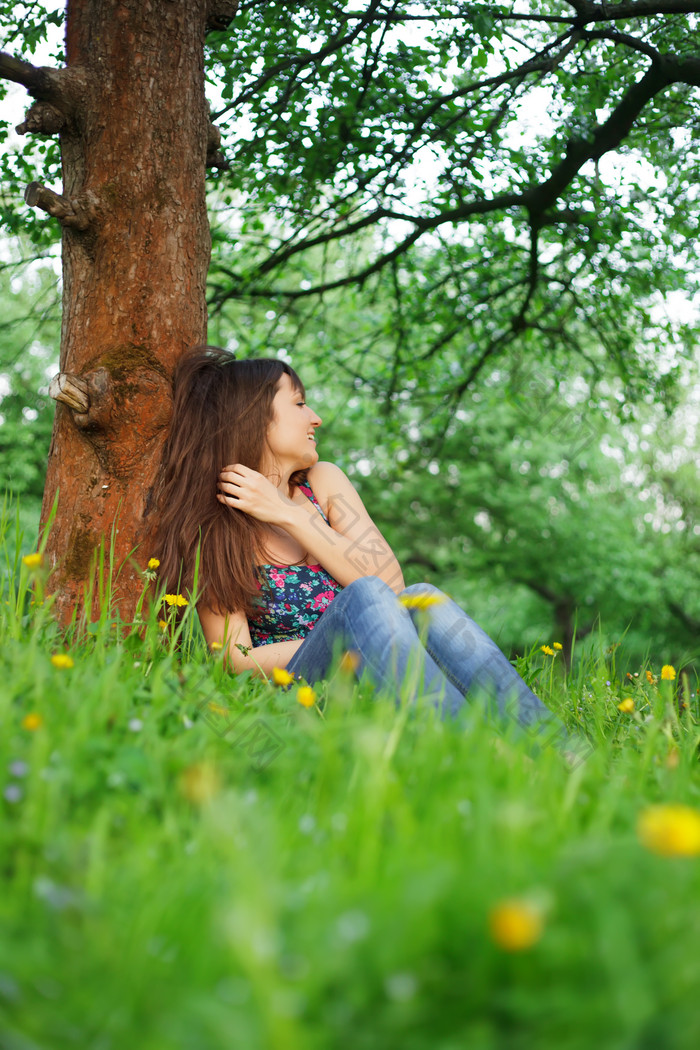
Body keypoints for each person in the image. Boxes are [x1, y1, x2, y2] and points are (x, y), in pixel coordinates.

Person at [155, 345, 576, 750]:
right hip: (297, 697)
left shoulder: (323, 483)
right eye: (300, 405)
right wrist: (348, 635)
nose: (315, 418)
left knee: (421, 599)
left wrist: (290, 514)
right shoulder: (214, 526)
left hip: (382, 675)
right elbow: (234, 659)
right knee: (364, 598)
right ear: (254, 418)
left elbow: (393, 584)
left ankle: (568, 757)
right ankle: (480, 755)